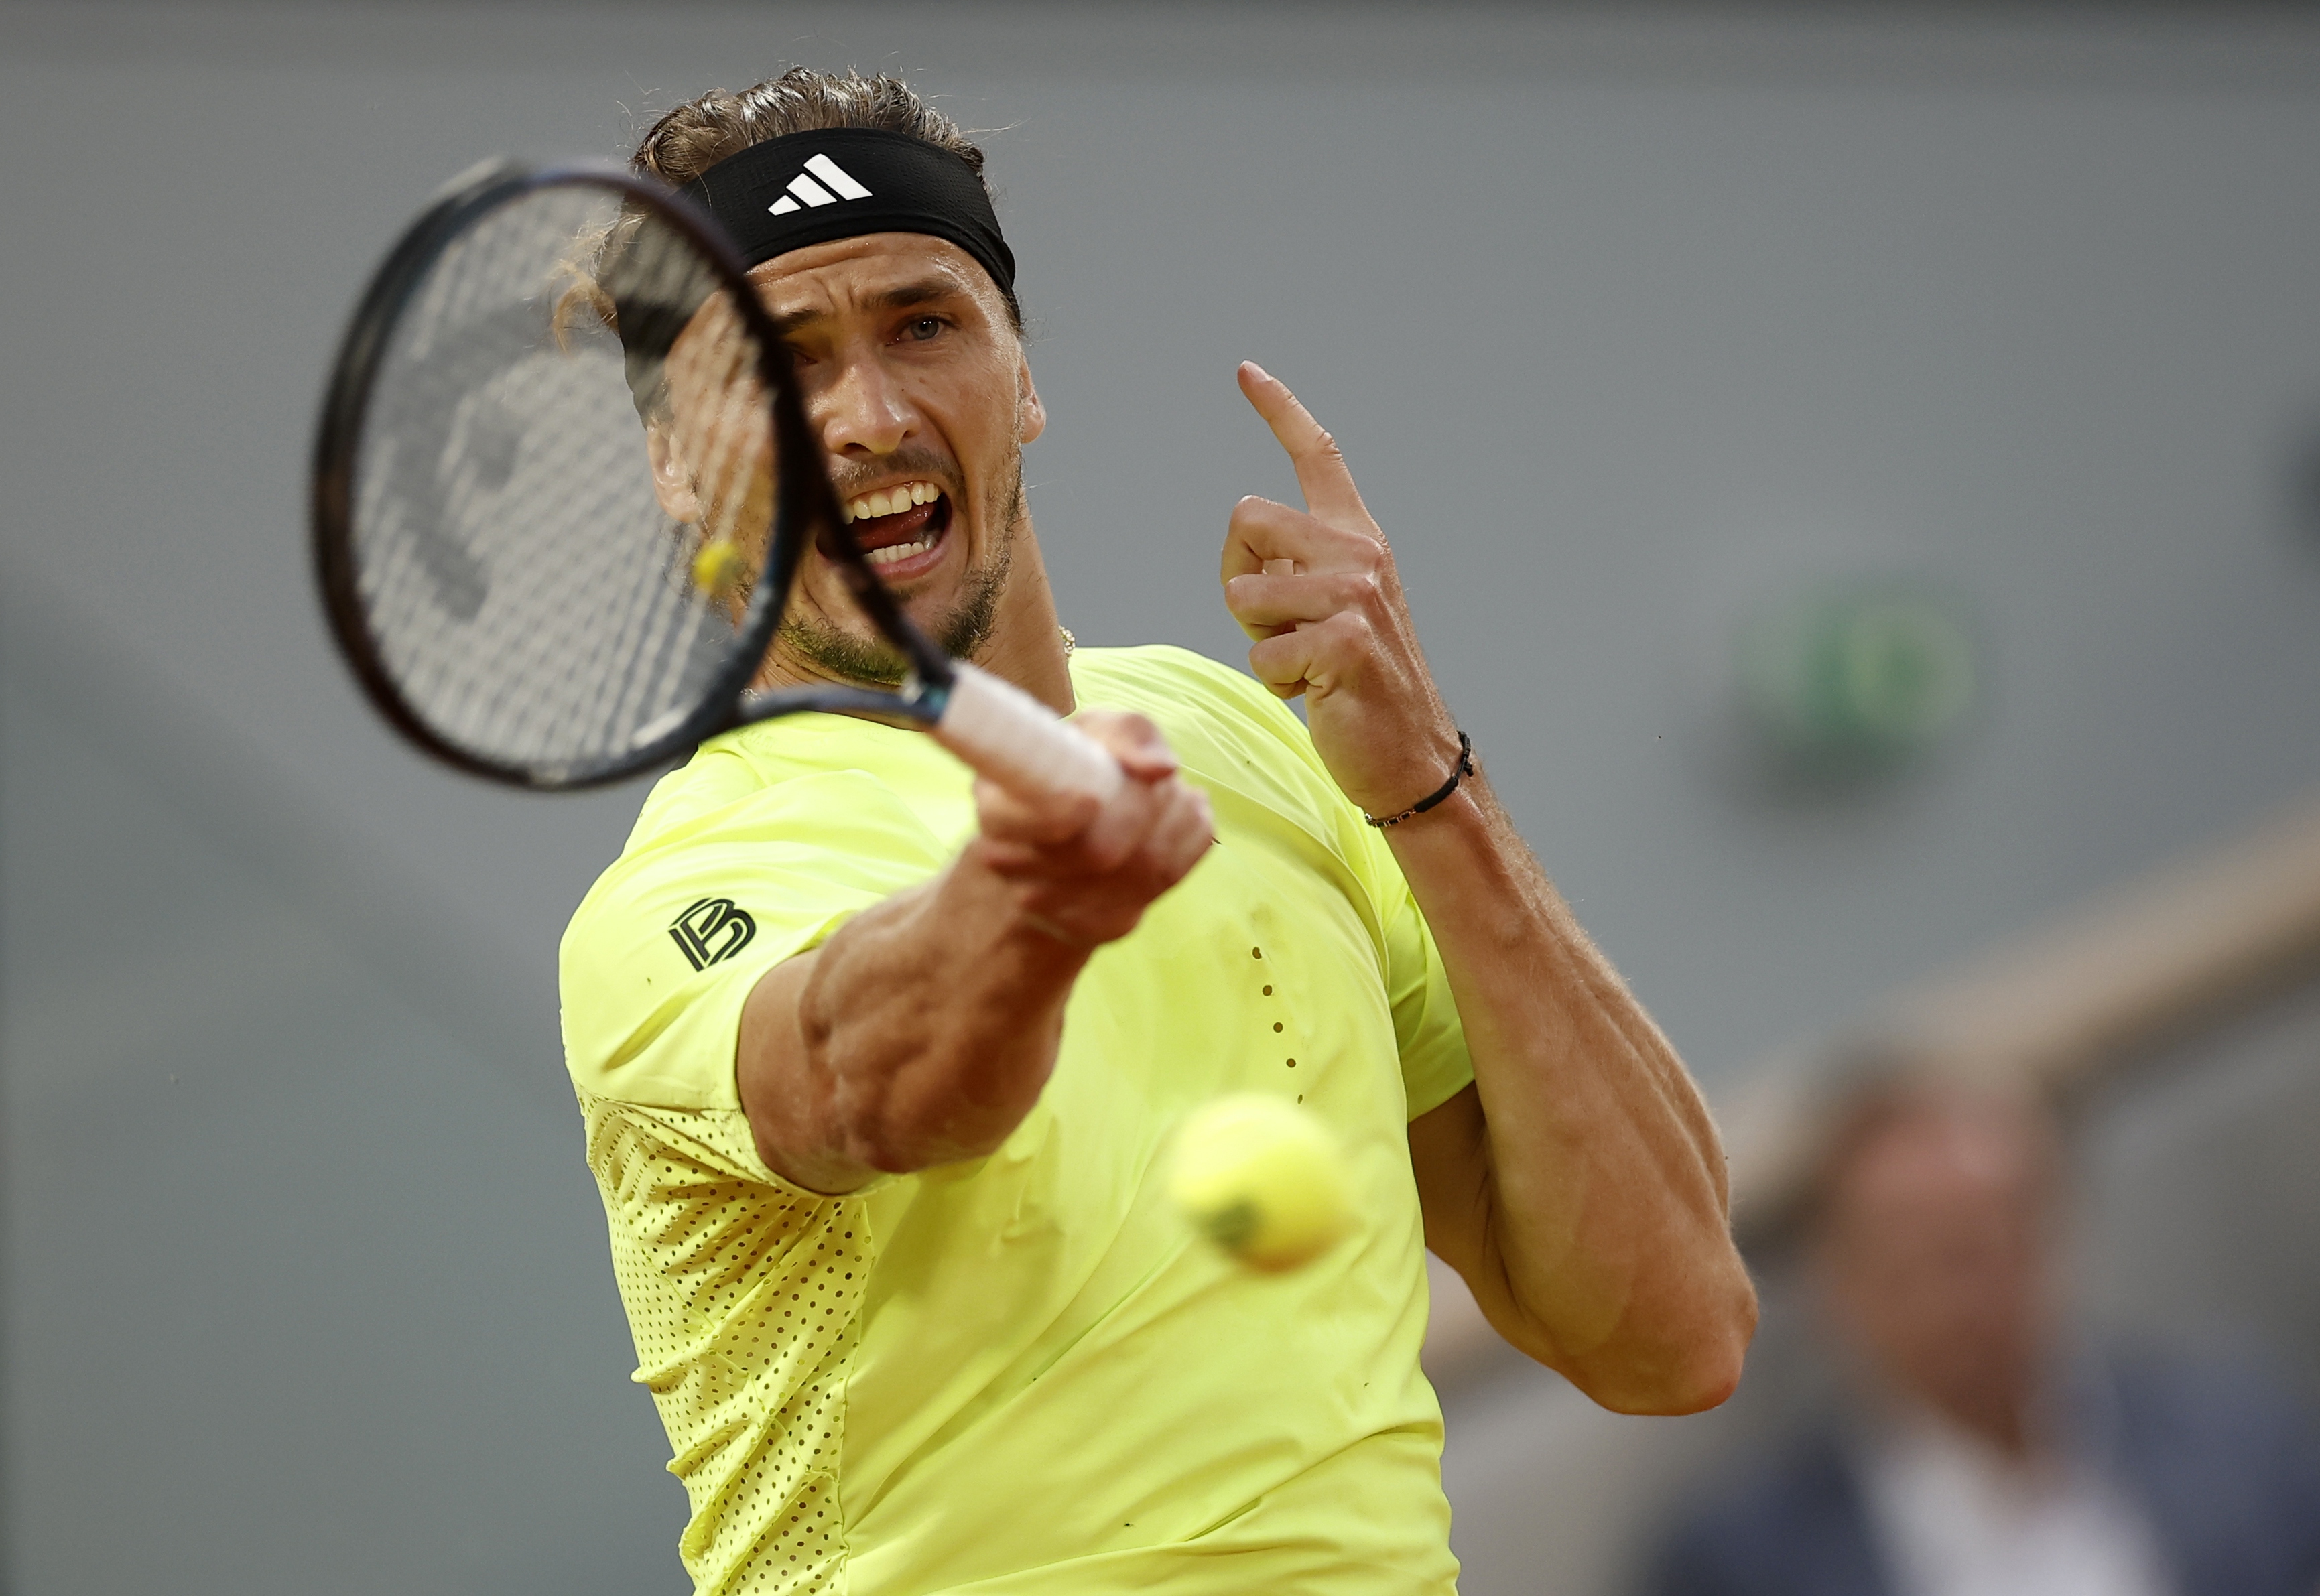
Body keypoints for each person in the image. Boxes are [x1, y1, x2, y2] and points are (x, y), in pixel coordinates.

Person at [559, 67, 1756, 1595]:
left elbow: (1672, 1333)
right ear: (677, 460)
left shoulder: (1248, 733)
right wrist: (1035, 892)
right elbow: (877, 1081)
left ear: (1021, 372)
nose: (866, 415)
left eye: (922, 324)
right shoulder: (683, 895)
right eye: (780, 362)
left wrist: (1424, 780)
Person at [1646, 1079, 2320, 1596]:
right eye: (1931, 1258)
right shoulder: (1747, 1561)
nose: (1977, 1293)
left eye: (2003, 1240)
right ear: (1839, 1284)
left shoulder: (2233, 1433)